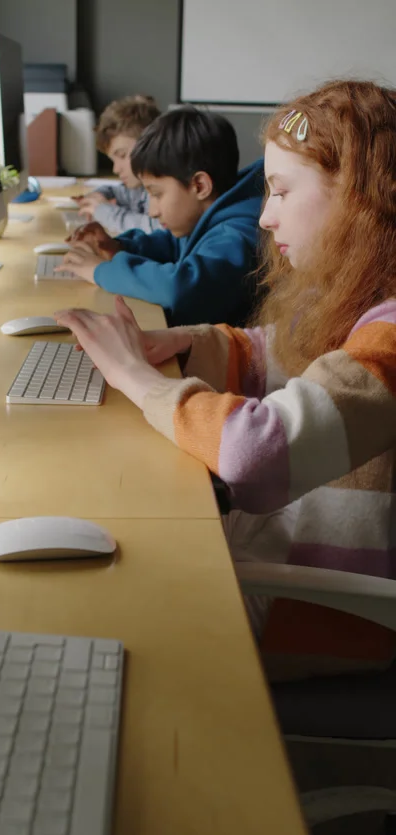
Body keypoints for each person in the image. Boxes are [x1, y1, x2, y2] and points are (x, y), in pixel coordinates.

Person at [55, 80, 396, 676]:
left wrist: (142, 380)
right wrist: (183, 344)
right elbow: (279, 351)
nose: (265, 216)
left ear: (359, 199)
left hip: (323, 610)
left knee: (95, 610)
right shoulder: (364, 295)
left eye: (282, 192)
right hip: (282, 558)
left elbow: (257, 452)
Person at [58, 107, 265, 327]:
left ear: (199, 185)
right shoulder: (205, 218)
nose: (152, 211)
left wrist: (100, 271)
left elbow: (180, 288)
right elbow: (174, 246)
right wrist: (119, 247)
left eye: (156, 194)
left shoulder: (237, 235)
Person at [76, 94, 162, 234]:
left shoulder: (168, 183)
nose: (116, 169)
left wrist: (104, 212)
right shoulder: (140, 187)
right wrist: (98, 196)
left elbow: (157, 229)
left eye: (122, 155)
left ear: (149, 145)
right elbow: (120, 192)